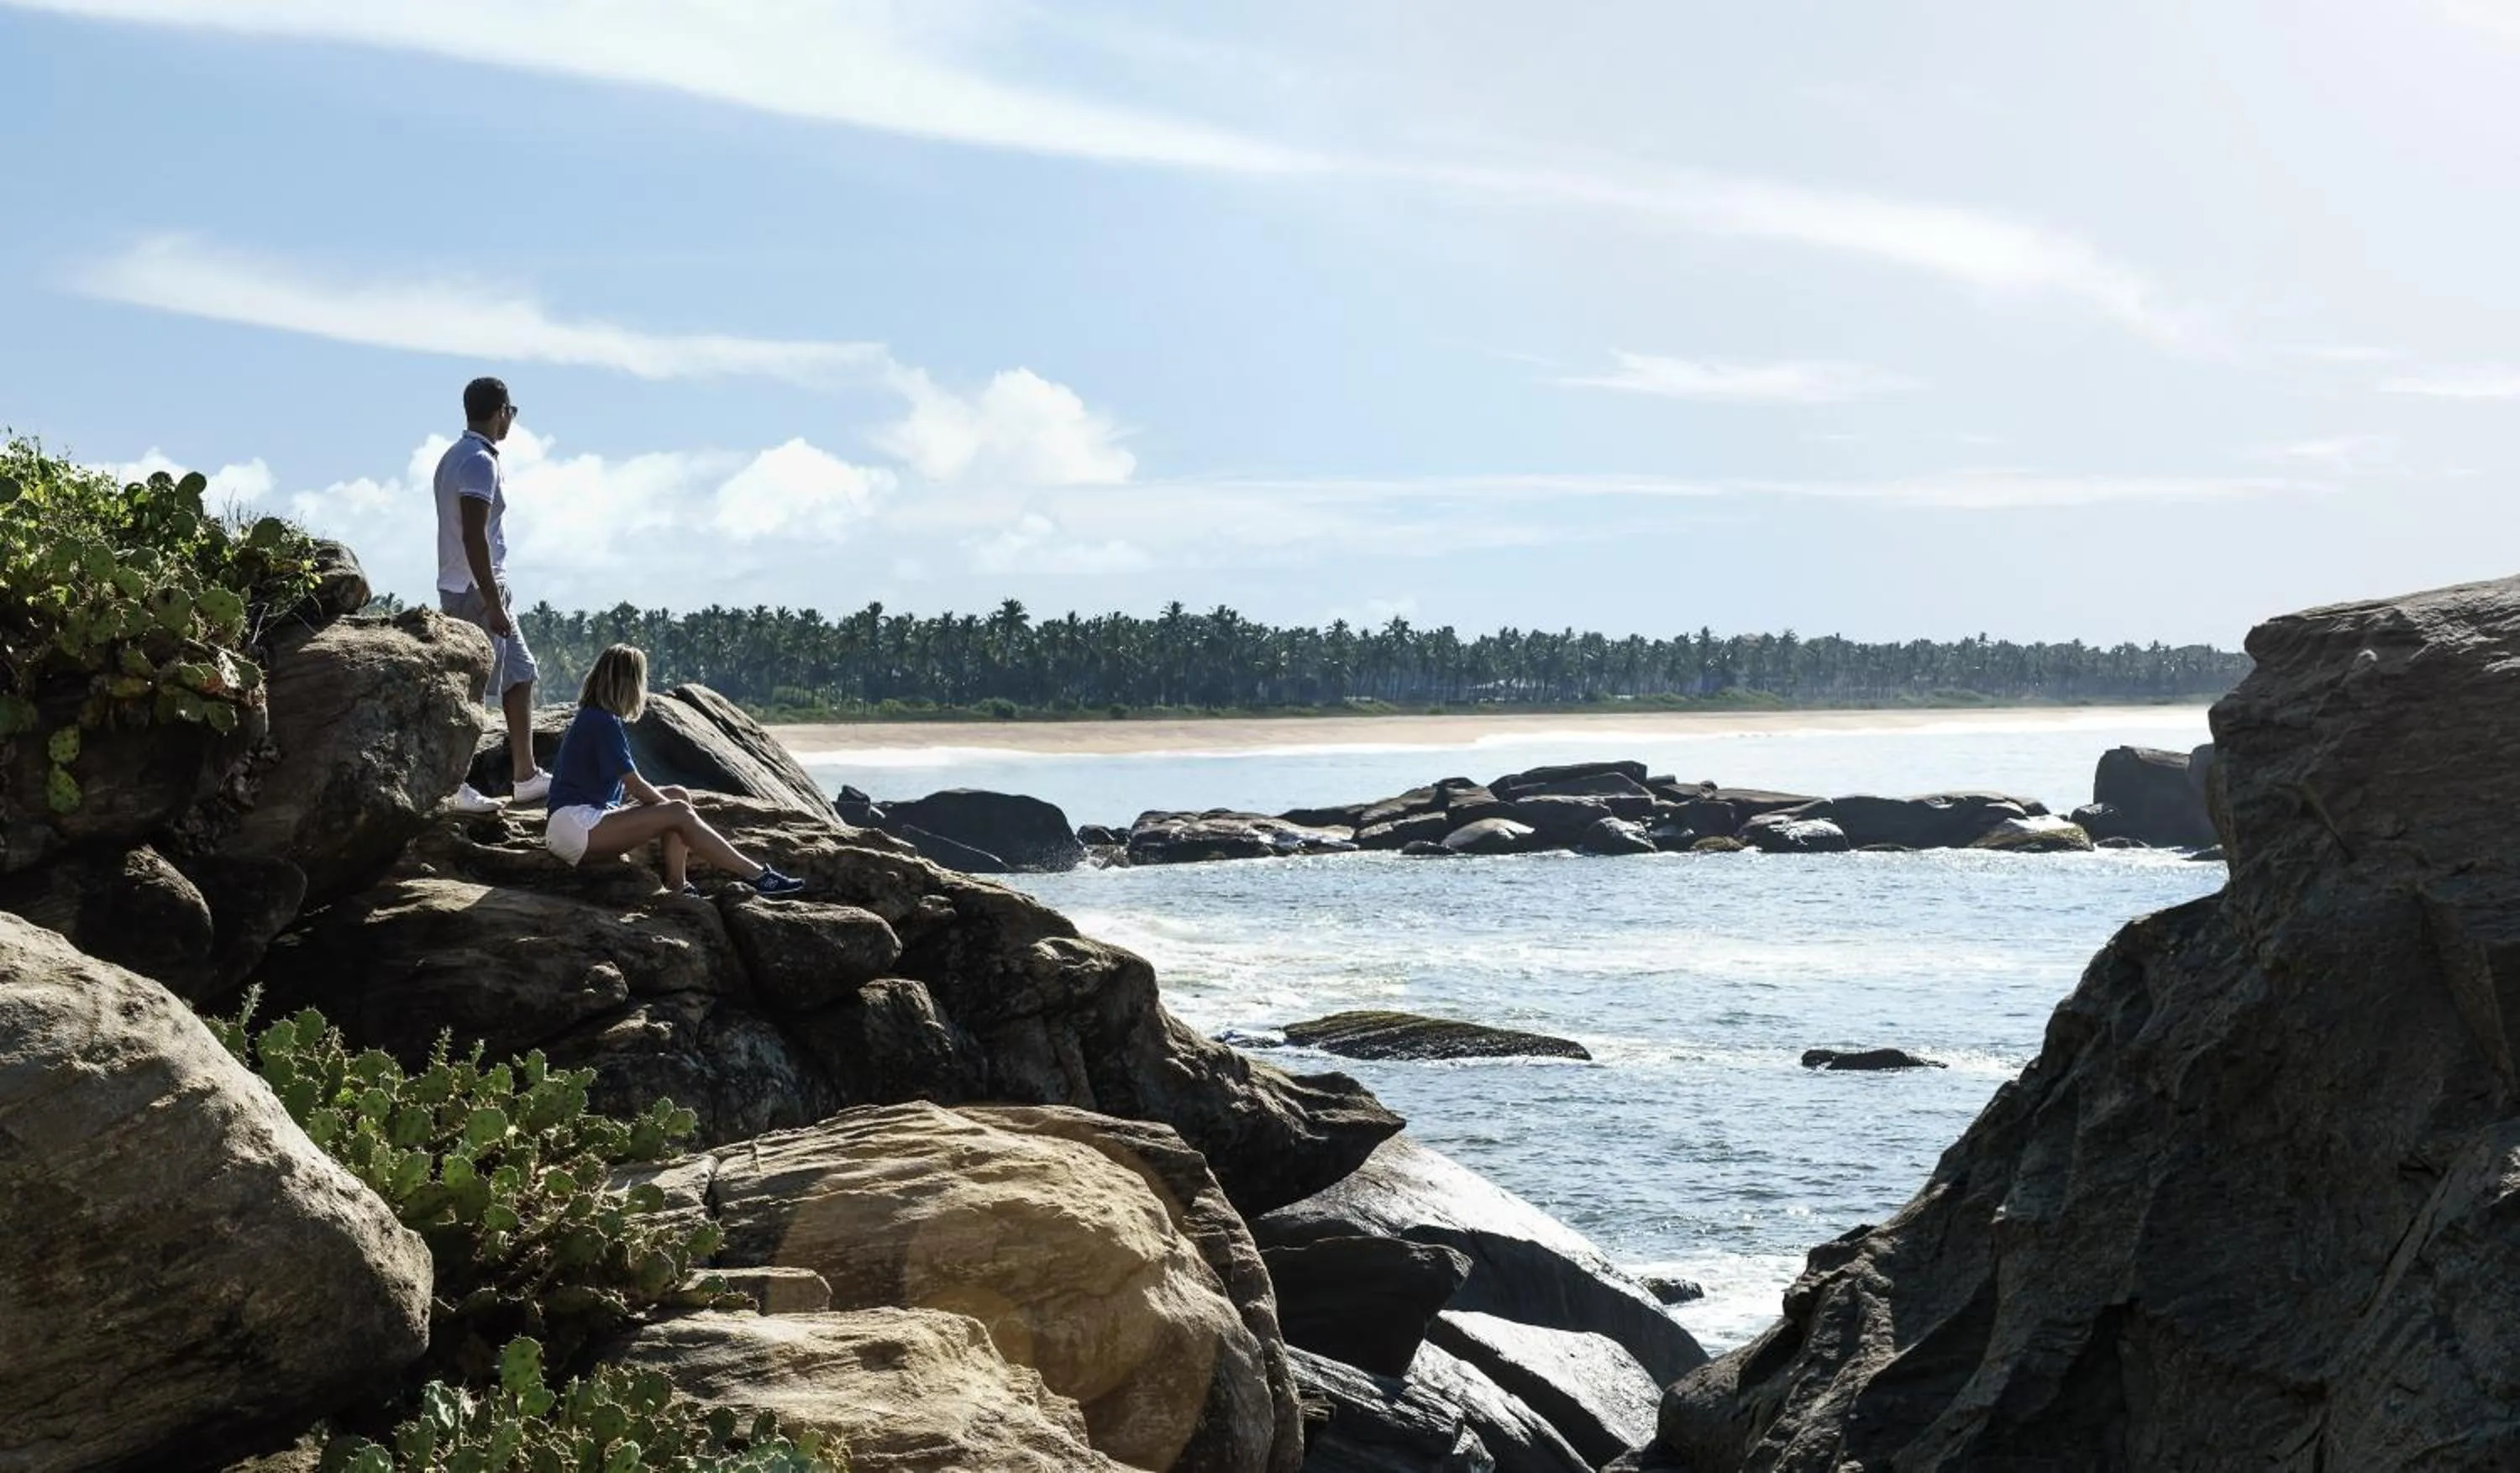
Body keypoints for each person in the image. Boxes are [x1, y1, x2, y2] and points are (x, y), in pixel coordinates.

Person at [545, 643, 806, 896]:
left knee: (678, 795)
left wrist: (672, 810)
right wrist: (676, 816)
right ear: (628, 683)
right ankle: (758, 876)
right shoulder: (600, 721)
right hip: (575, 826)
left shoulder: (598, 717)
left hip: (583, 821)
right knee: (678, 810)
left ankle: (678, 885)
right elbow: (635, 784)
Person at [437, 375, 551, 813]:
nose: (511, 421)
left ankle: (525, 775)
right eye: (512, 412)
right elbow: (474, 536)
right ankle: (457, 784)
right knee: (471, 691)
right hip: (475, 590)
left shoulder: (456, 456)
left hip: (479, 585)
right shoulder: (478, 461)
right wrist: (491, 600)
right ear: (501, 410)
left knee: (520, 672)